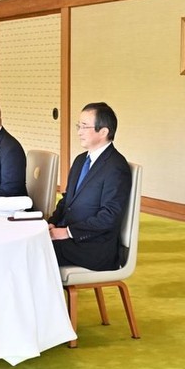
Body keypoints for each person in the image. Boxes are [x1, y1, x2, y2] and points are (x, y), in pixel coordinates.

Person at [48, 102, 132, 271]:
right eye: (79, 126)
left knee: (32, 252)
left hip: (93, 248)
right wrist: (52, 223)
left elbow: (109, 216)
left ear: (104, 132)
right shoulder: (81, 160)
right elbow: (66, 201)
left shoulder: (116, 167)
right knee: (26, 245)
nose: (79, 132)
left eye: (85, 127)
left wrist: (67, 232)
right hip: (71, 239)